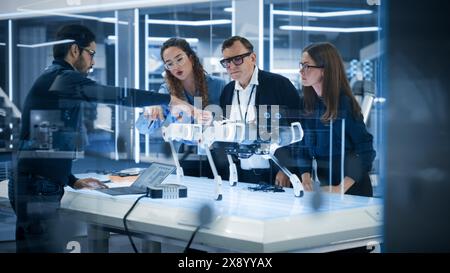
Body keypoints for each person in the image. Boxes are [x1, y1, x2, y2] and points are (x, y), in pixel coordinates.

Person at [8, 24, 191, 252]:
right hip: (38, 186)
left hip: (33, 180)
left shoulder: (51, 77)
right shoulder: (64, 79)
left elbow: (45, 142)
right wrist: (170, 100)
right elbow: (119, 95)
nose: (93, 62)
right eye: (91, 53)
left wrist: (71, 179)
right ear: (75, 50)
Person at [276, 42, 376, 197]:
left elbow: (366, 151)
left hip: (352, 188)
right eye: (301, 65)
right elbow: (302, 146)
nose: (301, 71)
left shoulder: (344, 103)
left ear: (324, 70)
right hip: (324, 186)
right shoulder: (306, 104)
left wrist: (341, 187)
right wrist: (305, 177)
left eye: (307, 66)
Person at [135, 38, 226, 177]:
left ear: (191, 58)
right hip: (186, 157)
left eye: (179, 59)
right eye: (169, 64)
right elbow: (143, 128)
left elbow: (229, 120)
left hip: (217, 155)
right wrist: (151, 109)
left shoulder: (218, 85)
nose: (176, 66)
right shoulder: (167, 91)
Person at [218, 36, 301, 184]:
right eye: (226, 61)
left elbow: (298, 129)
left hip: (274, 174)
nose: (231, 65)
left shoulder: (279, 84)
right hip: (239, 174)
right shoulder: (227, 91)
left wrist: (286, 168)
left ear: (253, 58)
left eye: (237, 59)